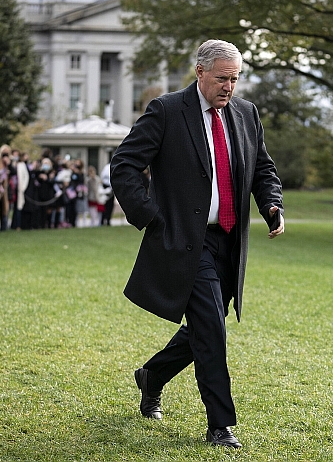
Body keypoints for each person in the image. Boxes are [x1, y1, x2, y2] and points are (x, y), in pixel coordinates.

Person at [111, 39, 284, 449]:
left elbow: (262, 167)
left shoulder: (245, 113)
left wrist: (272, 204)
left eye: (236, 79)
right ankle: (220, 425)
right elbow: (124, 164)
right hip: (187, 242)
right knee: (212, 331)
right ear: (200, 72)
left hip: (230, 241)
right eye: (222, 78)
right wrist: (150, 217)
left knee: (208, 327)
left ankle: (152, 375)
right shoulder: (167, 110)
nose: (229, 87)